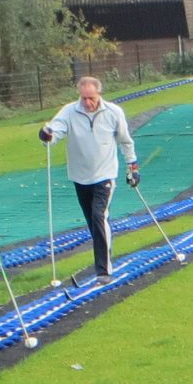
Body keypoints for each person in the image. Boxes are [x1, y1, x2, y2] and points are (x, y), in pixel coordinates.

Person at [40, 74, 138, 286]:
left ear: (99, 94)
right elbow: (56, 130)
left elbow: (125, 141)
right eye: (83, 98)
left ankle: (103, 271)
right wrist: (47, 135)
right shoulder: (69, 111)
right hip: (80, 176)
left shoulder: (113, 112)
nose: (87, 102)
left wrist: (133, 167)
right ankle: (105, 247)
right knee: (94, 223)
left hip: (105, 175)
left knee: (98, 216)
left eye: (91, 98)